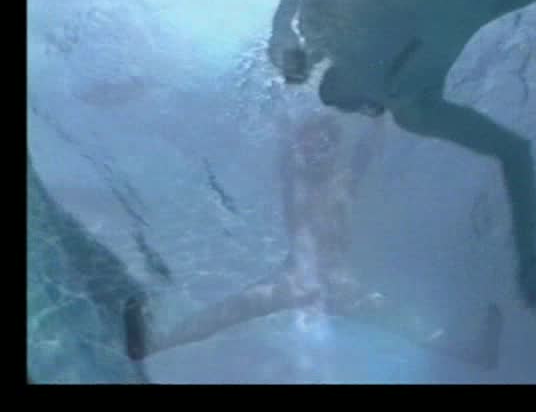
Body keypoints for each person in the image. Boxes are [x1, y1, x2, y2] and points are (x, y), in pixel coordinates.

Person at [267, 0, 536, 323]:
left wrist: (281, 28)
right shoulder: (412, 105)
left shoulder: (326, 29)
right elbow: (514, 152)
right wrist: (528, 255)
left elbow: (514, 152)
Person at [126, 110, 501, 369]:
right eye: (308, 148)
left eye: (323, 146)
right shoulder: (295, 181)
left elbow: (367, 151)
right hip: (295, 278)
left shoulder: (344, 180)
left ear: (334, 150)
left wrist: (378, 114)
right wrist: (284, 121)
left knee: (398, 320)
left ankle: (470, 353)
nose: (314, 154)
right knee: (227, 312)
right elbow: (287, 149)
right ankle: (152, 345)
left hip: (334, 282)